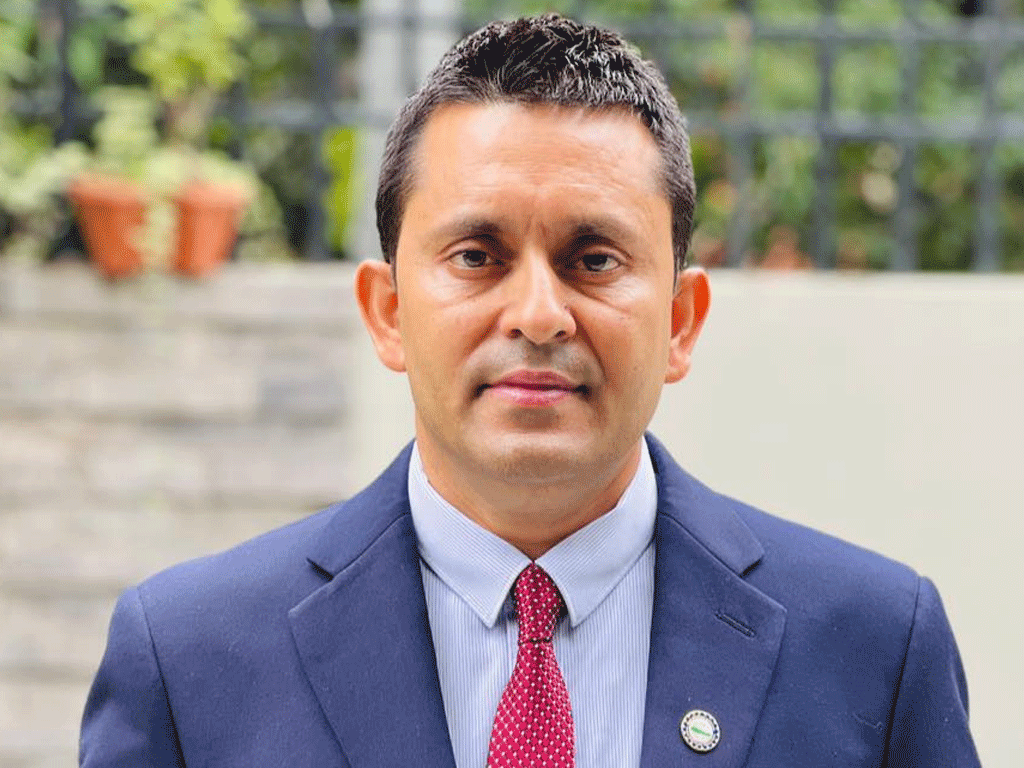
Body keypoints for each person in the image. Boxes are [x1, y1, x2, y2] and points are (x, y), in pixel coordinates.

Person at [80, 14, 980, 768]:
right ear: (388, 312)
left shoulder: (873, 648)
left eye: (595, 259)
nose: (540, 315)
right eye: (478, 256)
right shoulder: (190, 661)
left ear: (680, 321)